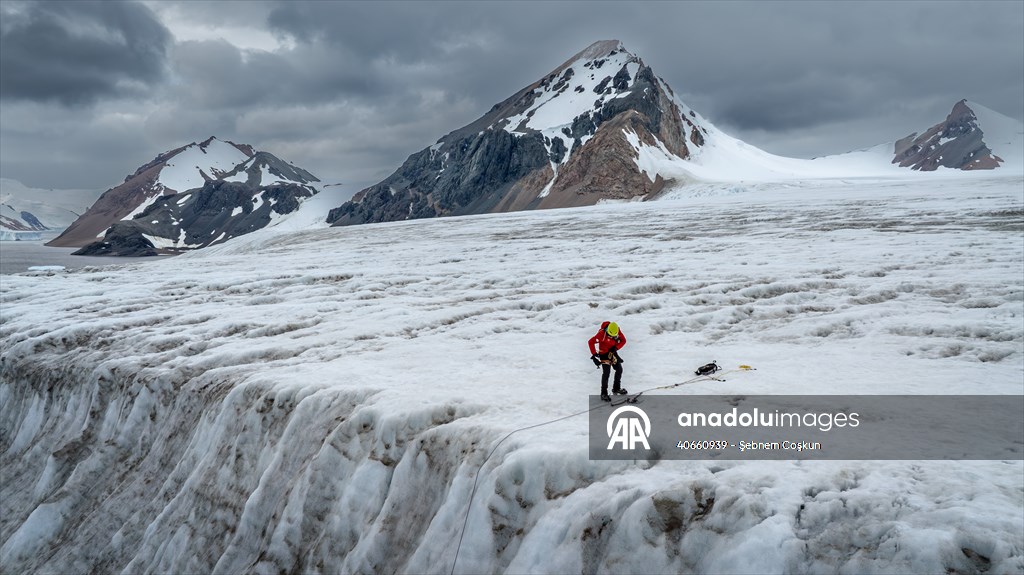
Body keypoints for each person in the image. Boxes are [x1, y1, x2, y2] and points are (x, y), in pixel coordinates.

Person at [588, 321, 628, 401]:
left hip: (612, 352)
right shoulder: (601, 334)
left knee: (619, 369)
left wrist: (616, 348)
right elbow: (590, 342)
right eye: (610, 335)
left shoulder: (617, 330)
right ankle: (603, 393)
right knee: (606, 373)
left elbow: (623, 340)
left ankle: (616, 388)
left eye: (614, 336)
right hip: (604, 353)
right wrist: (594, 354)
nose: (611, 337)